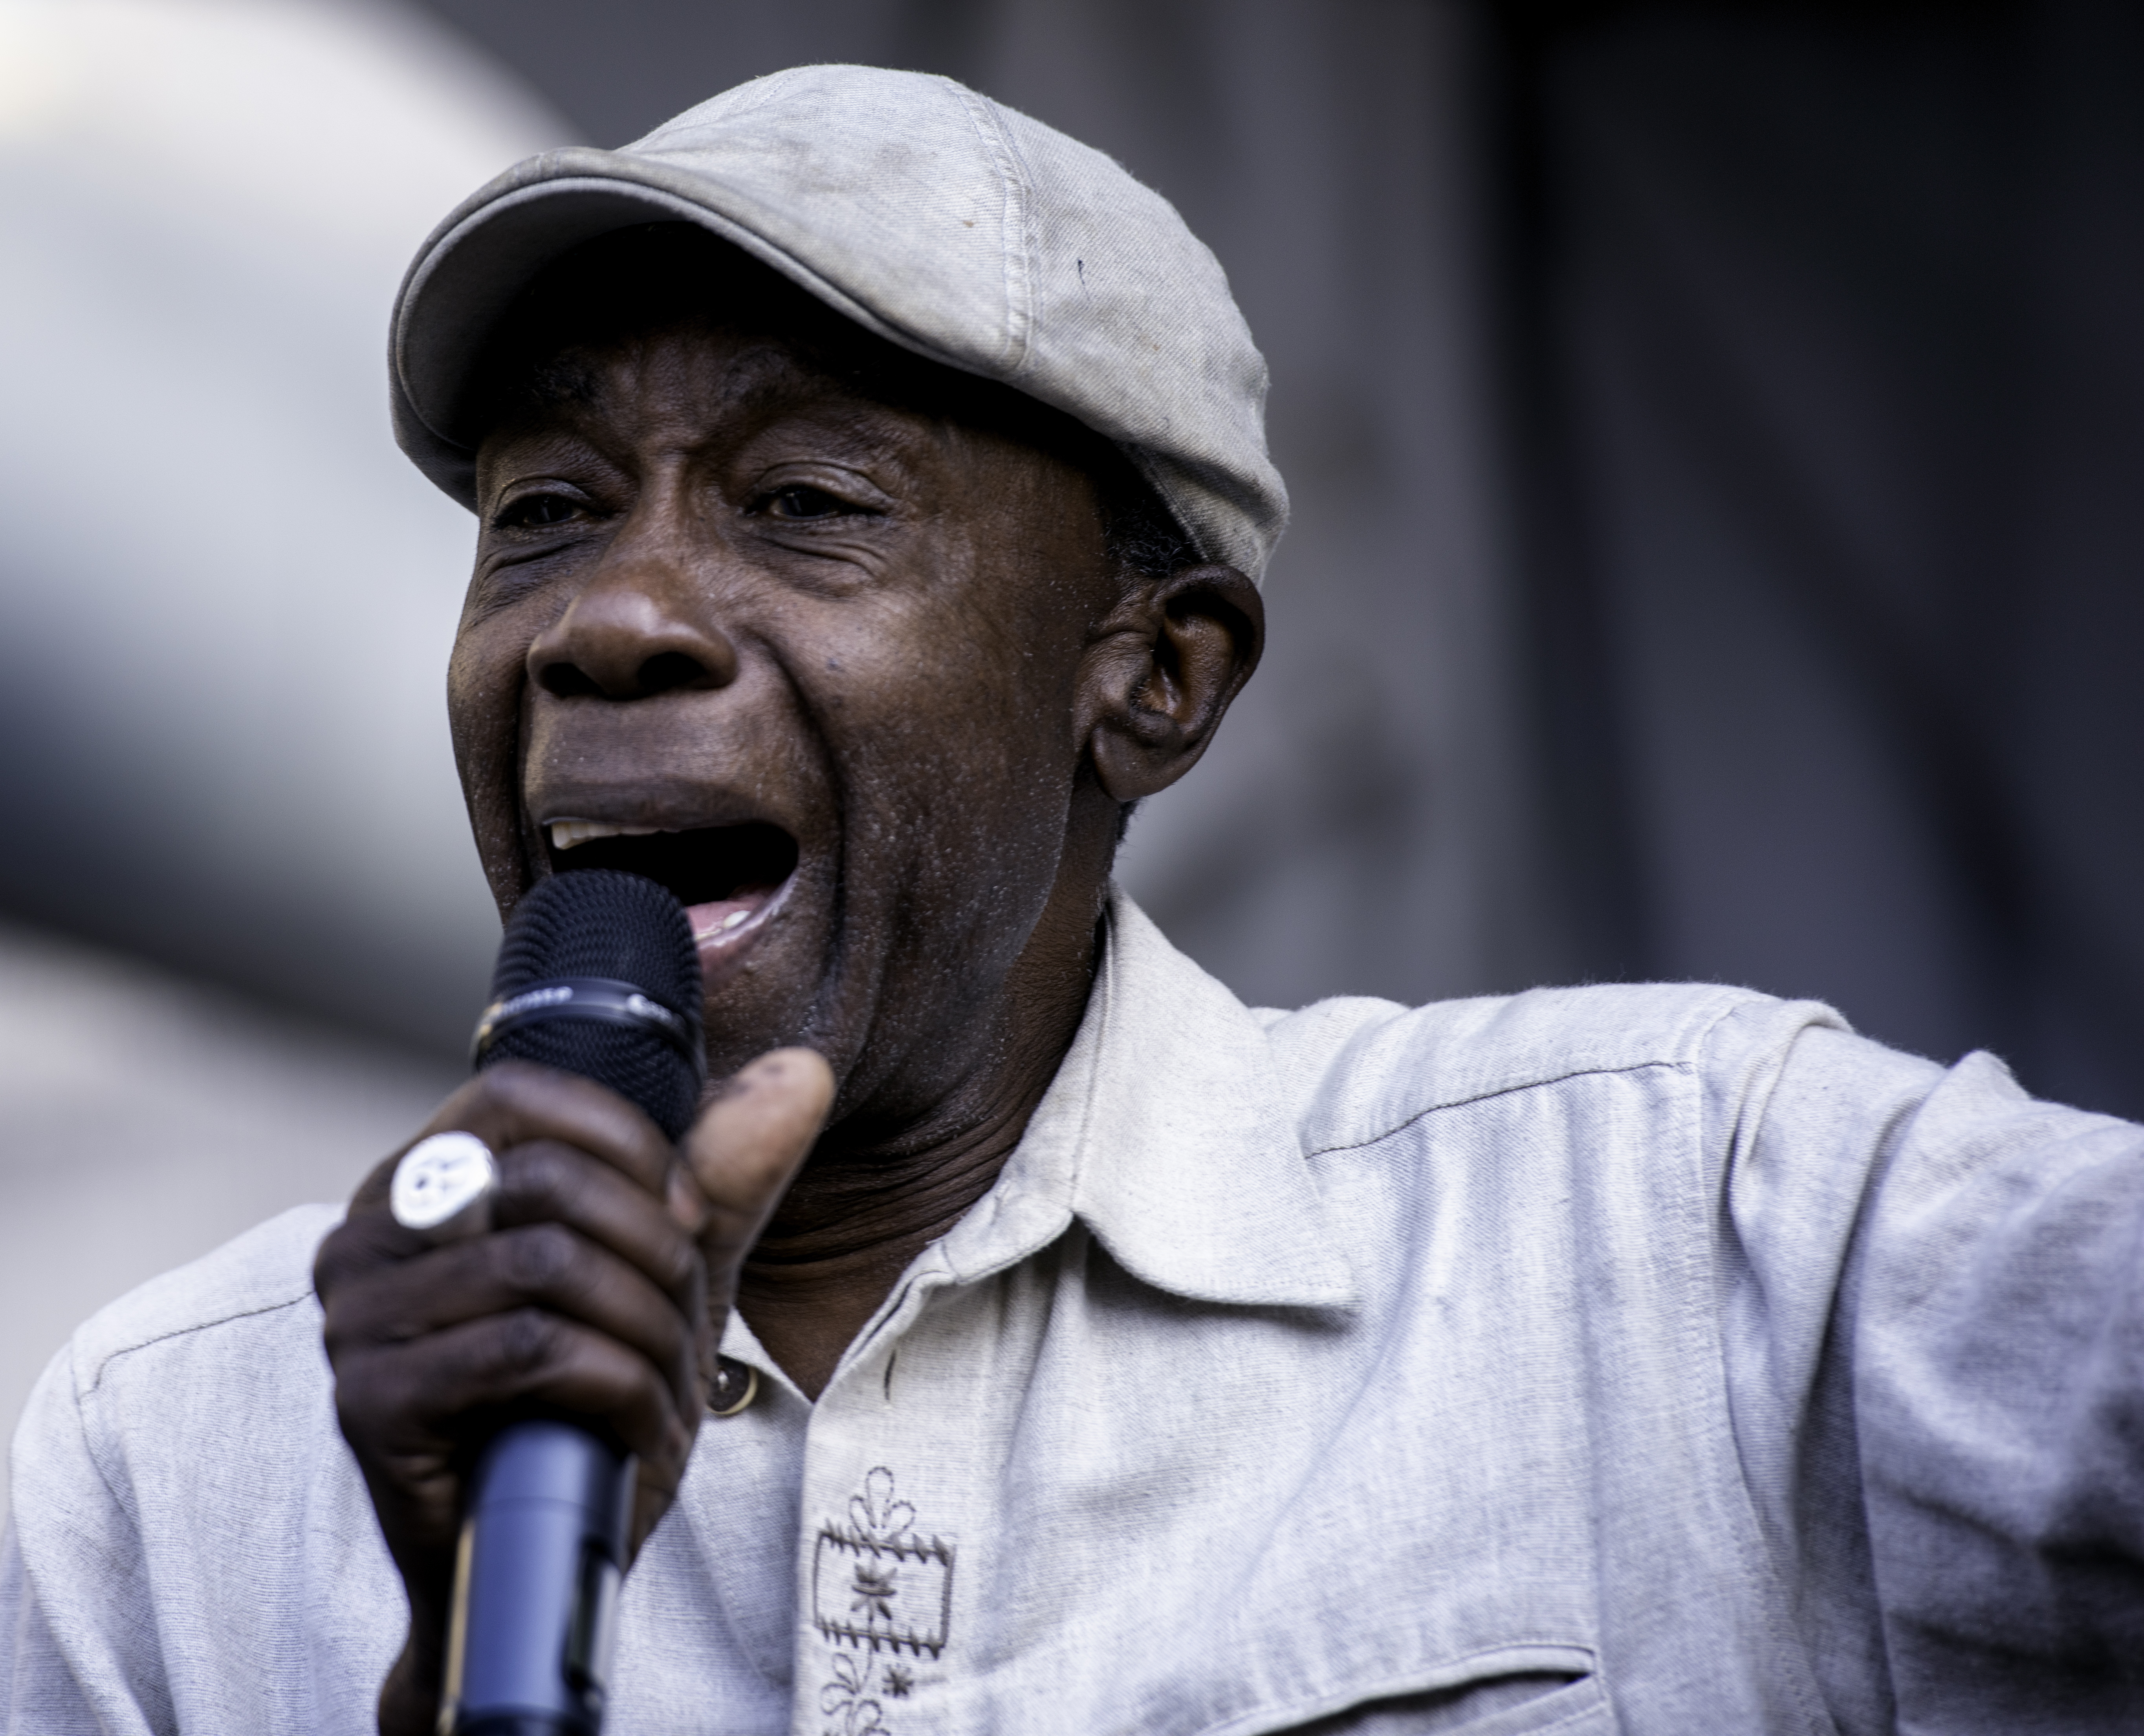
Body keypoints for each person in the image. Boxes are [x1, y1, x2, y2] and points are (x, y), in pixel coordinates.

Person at [4, 62, 2141, 1736]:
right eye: (544, 512)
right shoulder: (170, 1447)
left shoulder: (1686, 1231)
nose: (612, 615)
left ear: (1153, 681)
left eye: (805, 504)